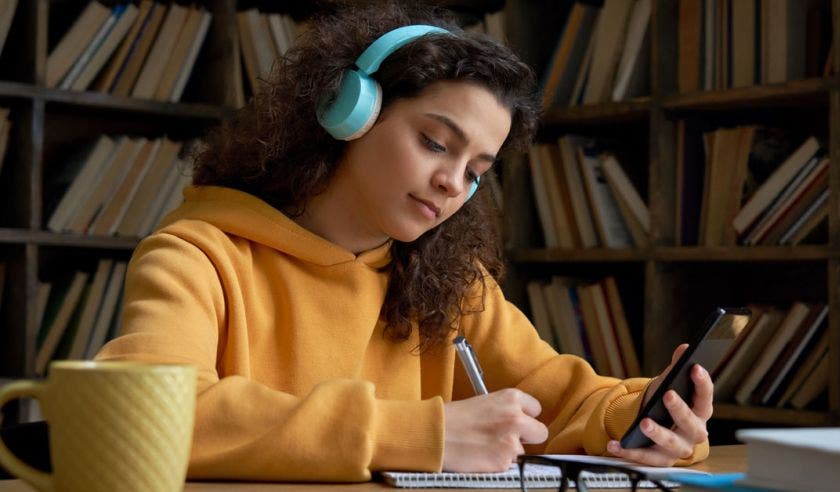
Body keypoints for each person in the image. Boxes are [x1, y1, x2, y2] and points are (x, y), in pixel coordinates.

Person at [95, 1, 712, 482]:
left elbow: (560, 395)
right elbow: (144, 418)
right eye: (436, 143)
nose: (451, 183)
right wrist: (421, 435)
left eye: (476, 172)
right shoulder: (198, 256)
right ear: (350, 113)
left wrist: (647, 418)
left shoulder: (452, 284)